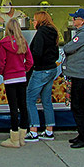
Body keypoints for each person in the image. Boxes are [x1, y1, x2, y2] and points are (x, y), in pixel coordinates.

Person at [62, 8, 84, 149]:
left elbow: (68, 48)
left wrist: (68, 46)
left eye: (75, 18)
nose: (73, 21)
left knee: (78, 106)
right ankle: (81, 134)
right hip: (78, 72)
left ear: (82, 21)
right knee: (77, 104)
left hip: (79, 74)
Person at [0, 19, 33, 148]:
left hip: (10, 78)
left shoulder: (4, 43)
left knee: (13, 108)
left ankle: (14, 138)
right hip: (21, 77)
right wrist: (24, 70)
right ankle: (23, 136)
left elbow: (1, 61)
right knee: (23, 106)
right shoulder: (23, 42)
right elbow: (30, 61)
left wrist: (2, 72)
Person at [25, 11, 60, 142]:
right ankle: (49, 131)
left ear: (40, 21)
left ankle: (33, 131)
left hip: (41, 70)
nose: (33, 22)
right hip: (51, 68)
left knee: (30, 99)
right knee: (46, 101)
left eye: (34, 20)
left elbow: (37, 52)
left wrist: (30, 64)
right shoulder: (53, 32)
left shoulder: (40, 33)